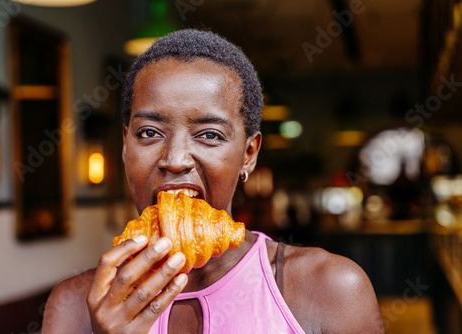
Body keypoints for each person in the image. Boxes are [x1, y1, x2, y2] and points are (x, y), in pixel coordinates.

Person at [43, 29, 384, 333]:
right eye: (148, 133)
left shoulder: (331, 289)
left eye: (209, 135)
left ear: (248, 154)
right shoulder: (76, 306)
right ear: (124, 146)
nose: (175, 160)